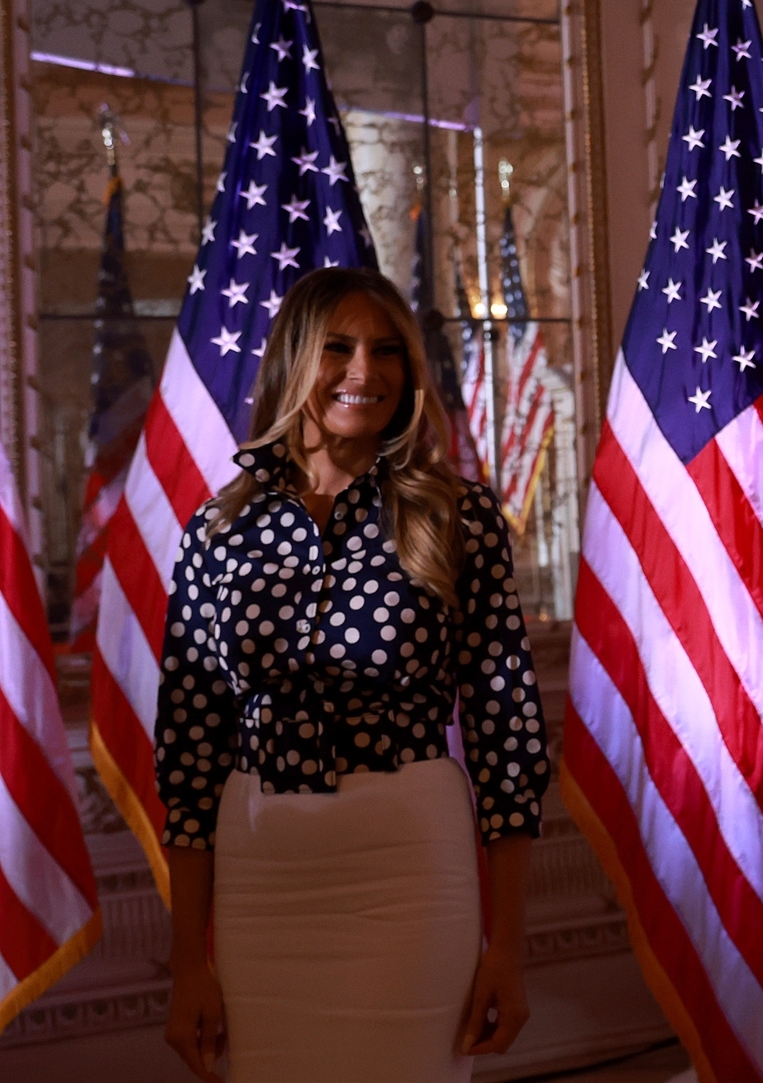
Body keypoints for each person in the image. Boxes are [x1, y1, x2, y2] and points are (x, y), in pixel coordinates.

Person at [157, 267, 550, 1082]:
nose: (364, 372)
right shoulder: (217, 531)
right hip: (261, 881)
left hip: (410, 873)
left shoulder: (456, 515)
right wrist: (187, 963)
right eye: (337, 347)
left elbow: (506, 738)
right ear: (293, 360)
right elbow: (190, 761)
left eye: (386, 351)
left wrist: (508, 947)